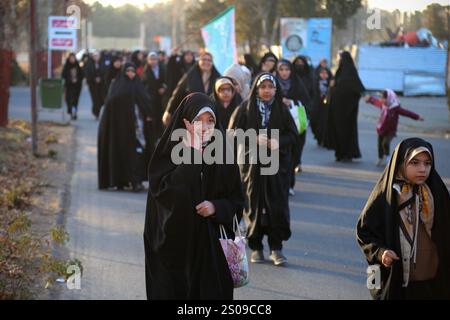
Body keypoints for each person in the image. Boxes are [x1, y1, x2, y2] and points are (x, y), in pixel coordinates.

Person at [143, 92, 244, 299]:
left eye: (210, 121)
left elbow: (236, 199)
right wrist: (193, 153)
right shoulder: (168, 150)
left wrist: (216, 207)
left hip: (211, 246)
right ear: (185, 121)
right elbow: (165, 194)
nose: (205, 127)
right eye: (198, 120)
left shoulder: (223, 152)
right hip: (175, 246)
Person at [356, 138, 450, 300]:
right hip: (398, 282)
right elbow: (364, 232)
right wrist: (381, 253)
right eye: (414, 163)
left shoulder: (437, 193)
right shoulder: (386, 196)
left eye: (427, 163)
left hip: (433, 282)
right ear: (400, 163)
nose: (423, 169)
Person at [229, 72, 298, 266]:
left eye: (271, 87)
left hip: (276, 166)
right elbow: (231, 132)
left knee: (277, 203)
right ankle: (256, 246)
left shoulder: (282, 109)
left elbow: (293, 135)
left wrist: (278, 142)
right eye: (263, 87)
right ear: (256, 88)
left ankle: (276, 248)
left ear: (276, 89)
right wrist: (253, 138)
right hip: (251, 166)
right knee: (253, 204)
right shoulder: (245, 107)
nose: (267, 91)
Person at [97, 63, 153, 192]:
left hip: (138, 128)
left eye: (133, 71)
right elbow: (111, 103)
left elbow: (146, 102)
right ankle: (123, 181)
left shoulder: (138, 85)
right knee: (122, 154)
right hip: (121, 130)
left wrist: (148, 115)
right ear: (123, 72)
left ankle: (136, 181)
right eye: (128, 71)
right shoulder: (117, 85)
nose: (131, 73)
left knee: (138, 153)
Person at [276, 59, 311, 195]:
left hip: (294, 126)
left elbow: (307, 103)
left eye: (287, 70)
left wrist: (292, 101)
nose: (284, 73)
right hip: (277, 126)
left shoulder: (297, 84)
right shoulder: (272, 84)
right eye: (281, 70)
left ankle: (290, 184)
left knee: (292, 156)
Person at [364, 89, 424, 166]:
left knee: (385, 143)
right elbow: (376, 102)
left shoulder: (395, 108)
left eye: (383, 98)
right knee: (379, 145)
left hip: (391, 131)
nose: (381, 100)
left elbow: (407, 113)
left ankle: (387, 157)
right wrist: (369, 99)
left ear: (389, 98)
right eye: (381, 98)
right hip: (381, 129)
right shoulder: (383, 105)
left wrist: (417, 117)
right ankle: (380, 158)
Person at [325, 51, 365, 162]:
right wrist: (332, 86)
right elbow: (335, 87)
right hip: (337, 110)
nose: (338, 60)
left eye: (339, 58)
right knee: (337, 131)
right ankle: (340, 153)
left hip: (348, 111)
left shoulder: (351, 73)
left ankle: (348, 153)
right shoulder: (339, 72)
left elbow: (359, 88)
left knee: (347, 132)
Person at [163, 51, 221, 127]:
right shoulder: (189, 76)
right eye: (204, 59)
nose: (206, 62)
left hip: (210, 117)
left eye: (209, 60)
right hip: (192, 116)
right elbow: (177, 93)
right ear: (198, 61)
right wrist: (168, 111)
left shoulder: (218, 78)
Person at [142, 52, 167, 150]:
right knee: (153, 117)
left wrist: (164, 87)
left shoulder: (162, 68)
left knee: (161, 115)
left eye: (155, 59)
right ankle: (154, 136)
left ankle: (161, 135)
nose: (153, 61)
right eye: (151, 59)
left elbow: (167, 80)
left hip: (161, 97)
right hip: (151, 98)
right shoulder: (145, 71)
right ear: (148, 61)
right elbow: (144, 85)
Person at [312, 67, 332, 146]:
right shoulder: (316, 81)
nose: (323, 75)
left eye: (325, 73)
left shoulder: (331, 83)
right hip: (317, 105)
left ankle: (324, 139)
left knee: (325, 123)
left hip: (327, 107)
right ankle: (318, 137)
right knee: (315, 121)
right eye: (322, 73)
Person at [62, 53, 84, 120]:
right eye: (71, 58)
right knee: (68, 100)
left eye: (73, 58)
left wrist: (77, 79)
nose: (72, 59)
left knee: (74, 101)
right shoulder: (66, 66)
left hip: (77, 86)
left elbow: (82, 75)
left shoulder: (78, 66)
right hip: (69, 86)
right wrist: (70, 80)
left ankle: (73, 113)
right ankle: (70, 110)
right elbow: (63, 75)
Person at [85, 51, 106, 119]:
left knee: (101, 99)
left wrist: (101, 79)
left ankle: (99, 111)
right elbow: (87, 73)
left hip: (102, 85)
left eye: (97, 56)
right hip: (93, 85)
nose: (96, 57)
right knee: (95, 99)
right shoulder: (89, 64)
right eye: (95, 56)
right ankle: (96, 112)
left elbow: (105, 73)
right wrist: (94, 79)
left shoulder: (103, 63)